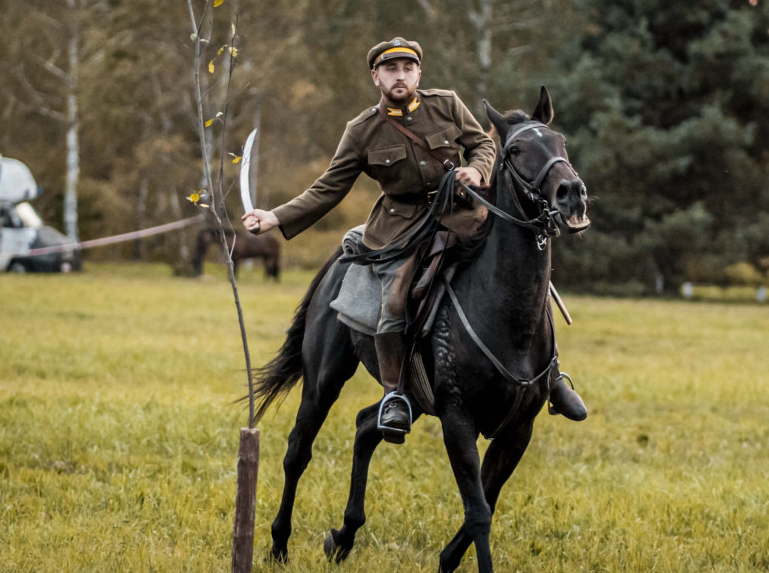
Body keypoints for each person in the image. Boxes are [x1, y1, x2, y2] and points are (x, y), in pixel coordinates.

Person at [242, 37, 587, 440]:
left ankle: (551, 376)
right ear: (376, 77)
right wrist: (274, 217)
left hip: (463, 213)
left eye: (408, 68)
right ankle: (395, 396)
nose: (400, 76)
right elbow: (328, 189)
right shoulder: (362, 130)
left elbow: (481, 146)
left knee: (522, 275)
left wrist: (476, 172)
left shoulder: (446, 104)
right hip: (402, 227)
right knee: (395, 298)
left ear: (419, 73)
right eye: (391, 70)